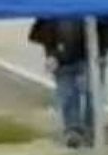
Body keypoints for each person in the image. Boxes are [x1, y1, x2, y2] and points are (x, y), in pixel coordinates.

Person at [29, 17, 95, 148]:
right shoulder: (52, 10)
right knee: (67, 95)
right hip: (60, 57)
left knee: (89, 93)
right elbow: (45, 30)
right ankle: (73, 130)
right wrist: (50, 55)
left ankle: (89, 128)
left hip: (86, 55)